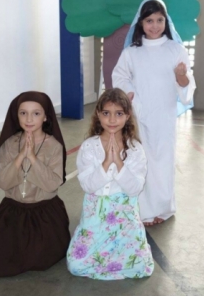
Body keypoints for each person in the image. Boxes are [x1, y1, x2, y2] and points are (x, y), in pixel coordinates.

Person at [112, 0, 196, 226]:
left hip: (164, 114)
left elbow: (187, 85)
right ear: (141, 22)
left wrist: (181, 77)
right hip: (139, 114)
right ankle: (142, 209)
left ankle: (162, 208)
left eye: (160, 20)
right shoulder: (132, 52)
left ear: (166, 21)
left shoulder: (176, 49)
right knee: (141, 159)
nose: (155, 25)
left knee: (163, 160)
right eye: (149, 20)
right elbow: (119, 76)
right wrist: (131, 95)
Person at [66, 88, 154, 280]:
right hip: (95, 214)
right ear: (98, 115)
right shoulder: (89, 147)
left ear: (127, 115)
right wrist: (106, 162)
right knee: (76, 265)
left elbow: (134, 189)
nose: (112, 119)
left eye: (119, 114)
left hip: (124, 215)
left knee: (140, 266)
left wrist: (119, 163)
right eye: (106, 113)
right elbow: (88, 186)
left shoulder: (135, 149)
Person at [0, 91, 70, 277]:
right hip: (13, 211)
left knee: (40, 258)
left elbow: (52, 184)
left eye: (36, 113)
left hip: (44, 213)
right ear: (16, 115)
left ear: (45, 116)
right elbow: (3, 181)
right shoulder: (10, 144)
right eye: (23, 113)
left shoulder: (54, 146)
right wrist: (21, 155)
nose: (29, 119)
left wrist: (33, 158)